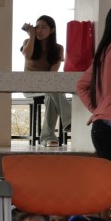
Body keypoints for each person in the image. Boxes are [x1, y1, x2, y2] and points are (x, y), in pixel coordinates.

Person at [21, 16, 71, 147]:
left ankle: (48, 138)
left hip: (49, 86)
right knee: (53, 91)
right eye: (37, 27)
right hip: (29, 87)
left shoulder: (58, 48)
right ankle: (70, 120)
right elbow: (27, 55)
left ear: (52, 30)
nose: (39, 30)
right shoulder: (28, 42)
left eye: (44, 27)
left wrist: (48, 85)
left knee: (50, 95)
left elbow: (52, 75)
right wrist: (31, 35)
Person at [78, 3, 111, 166]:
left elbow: (81, 86)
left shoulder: (104, 52)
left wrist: (100, 111)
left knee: (110, 179)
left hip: (102, 127)